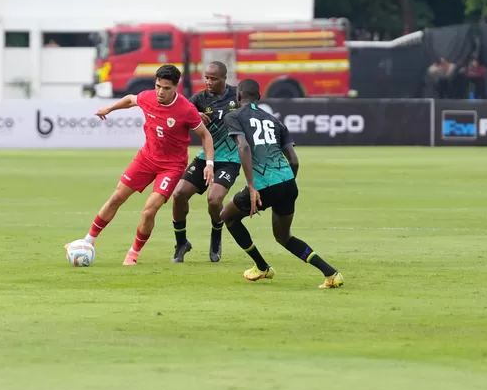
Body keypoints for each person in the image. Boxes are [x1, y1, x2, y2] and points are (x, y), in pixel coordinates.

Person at [68, 65, 215, 265]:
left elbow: (205, 136)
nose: (161, 92)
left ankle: (133, 253)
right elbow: (130, 99)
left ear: (175, 88)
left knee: (148, 210)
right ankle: (87, 242)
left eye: (166, 88)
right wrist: (110, 109)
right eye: (158, 86)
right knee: (116, 198)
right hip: (146, 158)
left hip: (171, 166)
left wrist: (209, 164)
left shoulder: (186, 110)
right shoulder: (148, 97)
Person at [220, 79, 344, 289]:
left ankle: (261, 267)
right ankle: (331, 273)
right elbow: (294, 160)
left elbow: (244, 147)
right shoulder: (274, 120)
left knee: (227, 216)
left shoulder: (233, 116)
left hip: (263, 184)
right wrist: (283, 188)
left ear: (238, 97)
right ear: (259, 98)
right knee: (283, 236)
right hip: (288, 182)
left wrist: (252, 187)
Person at [171, 61, 239, 263]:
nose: (208, 82)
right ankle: (181, 242)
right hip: (205, 157)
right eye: (206, 77)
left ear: (224, 78)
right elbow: (180, 114)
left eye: (214, 78)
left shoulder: (237, 95)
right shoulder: (199, 99)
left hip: (230, 159)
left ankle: (216, 234)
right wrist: (194, 115)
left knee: (214, 200)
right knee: (179, 194)